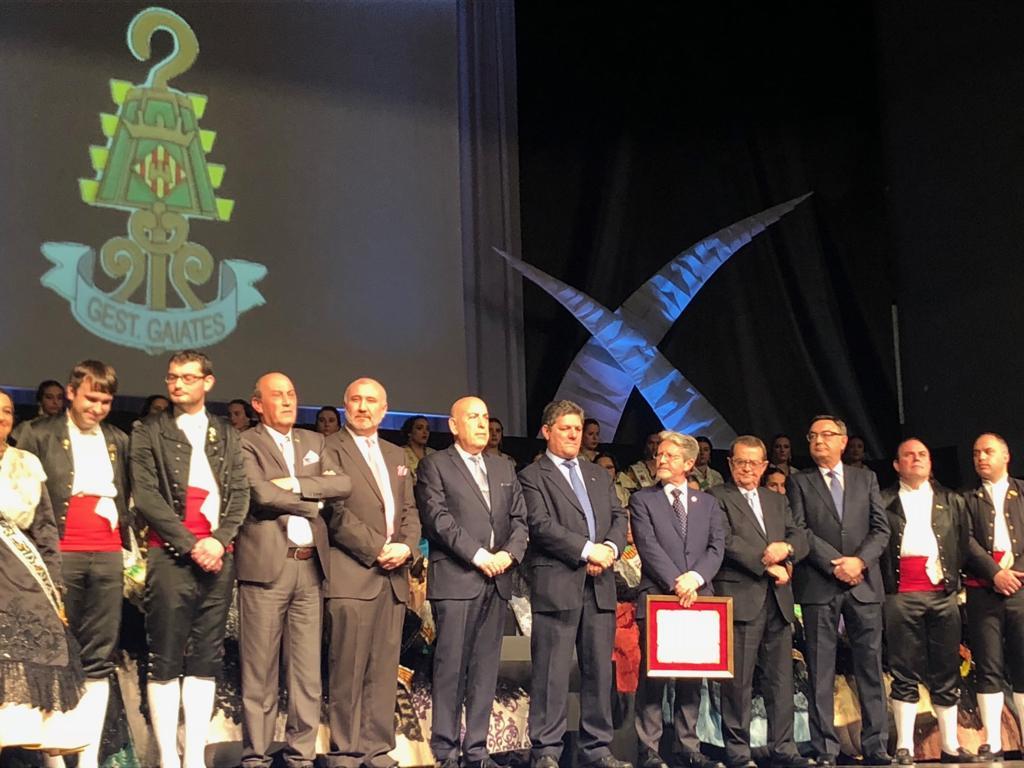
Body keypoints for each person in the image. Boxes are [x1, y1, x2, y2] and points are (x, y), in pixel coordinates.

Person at [130, 350, 250, 768]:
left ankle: (194, 755)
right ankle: (168, 756)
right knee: (164, 655)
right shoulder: (148, 430)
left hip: (219, 554)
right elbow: (147, 496)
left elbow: (240, 492)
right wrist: (191, 544)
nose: (177, 384)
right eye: (172, 377)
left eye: (187, 377)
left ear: (207, 382)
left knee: (206, 656)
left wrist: (218, 540)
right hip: (171, 554)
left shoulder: (226, 432)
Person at [16, 361, 131, 768]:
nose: (97, 408)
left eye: (105, 402)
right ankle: (53, 758)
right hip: (58, 555)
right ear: (70, 393)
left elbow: (125, 498)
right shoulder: (36, 433)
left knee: (99, 657)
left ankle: (88, 757)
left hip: (107, 554)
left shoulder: (118, 439)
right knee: (56, 653)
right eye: (90, 399)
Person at [236, 372, 352, 768]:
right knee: (260, 671)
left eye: (291, 393)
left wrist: (294, 483)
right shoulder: (245, 442)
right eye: (278, 395)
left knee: (306, 672)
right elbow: (261, 493)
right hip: (266, 568)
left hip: (310, 567)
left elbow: (343, 484)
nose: (288, 401)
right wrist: (312, 499)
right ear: (257, 404)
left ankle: (300, 756)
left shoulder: (314, 441)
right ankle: (256, 756)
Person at [416, 396, 529, 768]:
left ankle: (477, 750)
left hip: (498, 579)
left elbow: (520, 520)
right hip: (458, 578)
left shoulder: (503, 466)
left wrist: (509, 555)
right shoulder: (435, 465)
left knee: (485, 669)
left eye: (485, 417)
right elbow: (438, 519)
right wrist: (479, 556)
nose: (482, 424)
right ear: (453, 425)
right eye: (473, 417)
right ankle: (445, 751)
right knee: (451, 667)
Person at [518, 400, 630, 768]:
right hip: (559, 582)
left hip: (600, 584)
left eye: (577, 429)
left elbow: (618, 515)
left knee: (599, 671)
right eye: (565, 428)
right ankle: (547, 749)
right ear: (546, 431)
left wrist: (610, 548)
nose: (573, 435)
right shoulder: (532, 476)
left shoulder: (598, 474)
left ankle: (597, 747)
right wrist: (587, 551)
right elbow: (541, 525)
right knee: (551, 672)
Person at [321, 378, 421, 768]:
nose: (363, 407)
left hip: (393, 579)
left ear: (384, 409)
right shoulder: (329, 448)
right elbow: (334, 512)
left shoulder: (395, 453)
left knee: (383, 670)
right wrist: (378, 548)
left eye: (371, 401)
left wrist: (407, 547)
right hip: (352, 573)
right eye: (356, 400)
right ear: (345, 405)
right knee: (347, 670)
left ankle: (377, 750)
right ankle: (346, 752)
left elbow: (409, 511)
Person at [789, 416, 890, 767]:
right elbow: (800, 530)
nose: (818, 441)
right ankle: (826, 749)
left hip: (863, 584)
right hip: (821, 584)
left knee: (870, 668)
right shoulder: (799, 481)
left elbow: (881, 529)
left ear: (843, 441)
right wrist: (836, 564)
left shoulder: (866, 478)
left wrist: (859, 562)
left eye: (826, 435)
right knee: (821, 671)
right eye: (812, 435)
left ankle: (876, 745)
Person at [709, 436, 810, 768]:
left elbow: (799, 534)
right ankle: (738, 752)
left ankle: (785, 748)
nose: (747, 469)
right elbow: (726, 540)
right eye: (741, 462)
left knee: (780, 680)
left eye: (754, 463)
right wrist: (767, 564)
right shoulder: (716, 497)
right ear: (730, 464)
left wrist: (787, 551)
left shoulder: (776, 499)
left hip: (778, 600)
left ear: (765, 465)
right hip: (741, 598)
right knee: (738, 682)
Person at [880, 438, 980, 764]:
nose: (916, 459)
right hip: (901, 593)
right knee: (903, 668)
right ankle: (904, 746)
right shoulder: (883, 500)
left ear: (930, 461)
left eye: (922, 454)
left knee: (946, 668)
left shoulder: (951, 500)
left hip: (942, 593)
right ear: (897, 465)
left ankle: (950, 744)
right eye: (908, 455)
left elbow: (963, 544)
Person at [628, 431, 725, 768]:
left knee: (691, 676)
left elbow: (716, 547)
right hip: (659, 596)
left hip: (698, 597)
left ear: (689, 463)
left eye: (670, 455)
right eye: (660, 454)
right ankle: (649, 749)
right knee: (653, 677)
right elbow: (647, 545)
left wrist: (695, 578)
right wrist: (676, 581)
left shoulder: (708, 503)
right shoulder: (642, 499)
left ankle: (688, 746)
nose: (661, 459)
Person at [0, 388, 86, 753]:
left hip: (20, 563)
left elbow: (46, 528)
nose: (1, 417)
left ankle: (33, 722)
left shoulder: (26, 463)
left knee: (43, 622)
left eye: (6, 411)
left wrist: (54, 578)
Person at [962, 433, 1024, 761]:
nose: (981, 458)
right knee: (988, 665)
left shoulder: (1022, 491)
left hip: (1021, 588)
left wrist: (1015, 574)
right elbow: (965, 540)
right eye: (976, 453)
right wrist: (995, 573)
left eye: (988, 452)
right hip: (983, 589)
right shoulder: (966, 499)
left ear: (1006, 456)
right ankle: (994, 742)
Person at [10, 378, 65, 445]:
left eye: (59, 398)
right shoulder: (28, 427)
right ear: (40, 401)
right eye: (49, 397)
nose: (55, 402)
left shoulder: (68, 426)